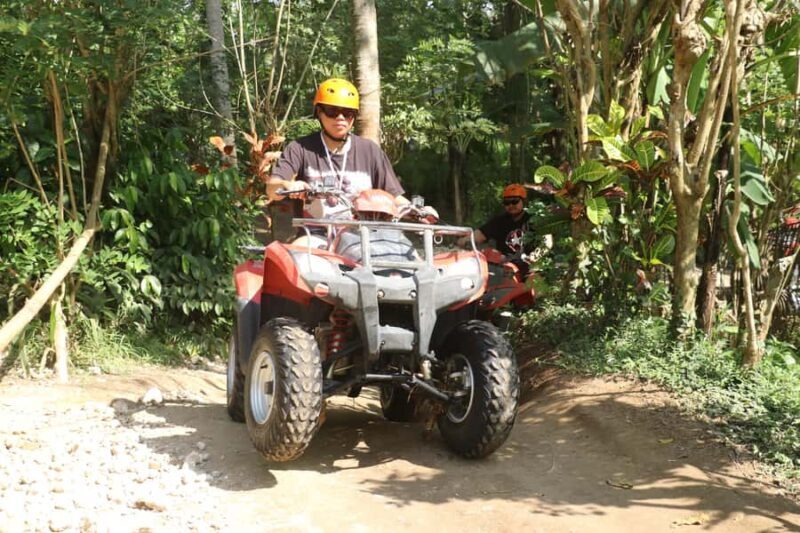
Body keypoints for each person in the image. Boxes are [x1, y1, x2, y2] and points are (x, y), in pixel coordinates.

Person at [267, 78, 407, 219]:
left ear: (354, 116)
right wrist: (288, 185)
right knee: (301, 243)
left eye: (347, 112)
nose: (340, 117)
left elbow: (393, 196)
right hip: (317, 233)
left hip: (363, 234)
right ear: (319, 113)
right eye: (332, 111)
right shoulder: (299, 148)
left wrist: (420, 211)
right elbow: (272, 189)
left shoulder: (370, 151)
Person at [458, 183, 530, 258]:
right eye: (507, 203)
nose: (511, 205)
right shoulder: (500, 221)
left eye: (515, 201)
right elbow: (480, 234)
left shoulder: (534, 221)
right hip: (503, 265)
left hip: (530, 265)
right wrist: (464, 241)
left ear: (524, 201)